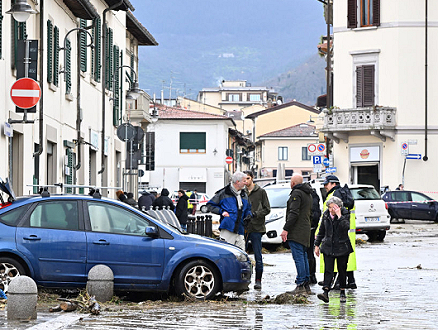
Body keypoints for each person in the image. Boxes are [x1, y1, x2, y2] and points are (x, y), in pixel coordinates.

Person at [315, 196, 354, 303]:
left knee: (342, 270)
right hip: (328, 246)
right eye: (329, 207)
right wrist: (317, 245)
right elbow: (321, 230)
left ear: (339, 207)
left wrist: (339, 215)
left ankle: (342, 291)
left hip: (342, 246)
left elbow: (346, 227)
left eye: (333, 208)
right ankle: (326, 292)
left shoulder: (345, 214)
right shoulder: (326, 214)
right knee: (328, 270)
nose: (331, 210)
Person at [321, 175, 357, 289]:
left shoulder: (333, 196)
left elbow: (326, 218)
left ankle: (336, 282)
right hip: (348, 232)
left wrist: (320, 233)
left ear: (333, 184)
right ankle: (350, 281)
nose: (325, 186)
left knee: (335, 258)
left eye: (327, 184)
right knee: (346, 259)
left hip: (337, 231)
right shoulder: (345, 193)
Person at [280, 173, 313, 295]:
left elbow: (293, 213)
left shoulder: (296, 193)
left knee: (299, 257)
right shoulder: (308, 193)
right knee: (304, 256)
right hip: (306, 229)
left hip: (297, 230)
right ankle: (306, 285)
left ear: (293, 183)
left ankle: (300, 285)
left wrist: (286, 229)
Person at [207, 171, 252, 250]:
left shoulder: (244, 194)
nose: (246, 183)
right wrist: (222, 212)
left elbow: (248, 208)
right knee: (226, 253)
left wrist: (249, 215)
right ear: (238, 182)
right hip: (227, 228)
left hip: (240, 229)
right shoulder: (223, 193)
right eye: (244, 181)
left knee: (241, 254)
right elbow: (210, 205)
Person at [243, 171, 271, 290]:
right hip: (244, 228)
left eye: (248, 178)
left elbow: (267, 209)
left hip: (257, 227)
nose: (246, 181)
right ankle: (244, 280)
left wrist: (255, 214)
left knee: (258, 256)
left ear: (252, 178)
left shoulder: (261, 192)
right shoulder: (241, 192)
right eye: (244, 179)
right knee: (242, 255)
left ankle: (258, 280)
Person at [308, 187, 321, 284]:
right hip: (313, 228)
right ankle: (313, 276)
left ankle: (310, 275)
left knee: (307, 252)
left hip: (308, 228)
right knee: (310, 252)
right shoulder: (315, 197)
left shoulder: (309, 197)